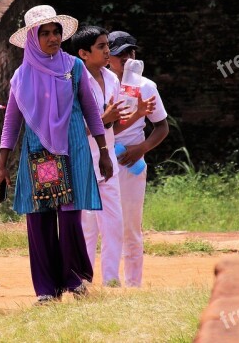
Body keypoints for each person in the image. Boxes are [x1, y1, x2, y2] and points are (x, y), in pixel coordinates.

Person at [0, 5, 113, 305]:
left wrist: (103, 151)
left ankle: (74, 281)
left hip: (73, 150)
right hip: (39, 155)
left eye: (56, 32)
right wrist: (2, 164)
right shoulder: (21, 76)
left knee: (71, 218)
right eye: (44, 33)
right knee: (41, 220)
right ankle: (46, 290)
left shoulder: (73, 67)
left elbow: (90, 110)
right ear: (33, 38)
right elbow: (12, 122)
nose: (52, 38)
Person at [72, 26, 155, 287]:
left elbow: (112, 127)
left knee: (114, 225)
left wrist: (138, 114)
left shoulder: (112, 80)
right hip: (84, 162)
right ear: (84, 54)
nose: (107, 51)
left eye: (107, 45)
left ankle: (110, 280)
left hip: (106, 163)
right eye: (101, 46)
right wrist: (102, 119)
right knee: (87, 228)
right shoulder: (73, 81)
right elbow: (71, 132)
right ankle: (82, 283)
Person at [108, 31, 169, 288]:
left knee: (130, 226)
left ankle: (133, 285)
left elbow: (162, 127)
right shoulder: (99, 84)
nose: (126, 58)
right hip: (102, 156)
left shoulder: (145, 86)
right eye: (119, 53)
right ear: (106, 56)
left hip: (130, 161)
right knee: (95, 224)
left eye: (130, 52)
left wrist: (140, 148)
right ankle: (104, 282)